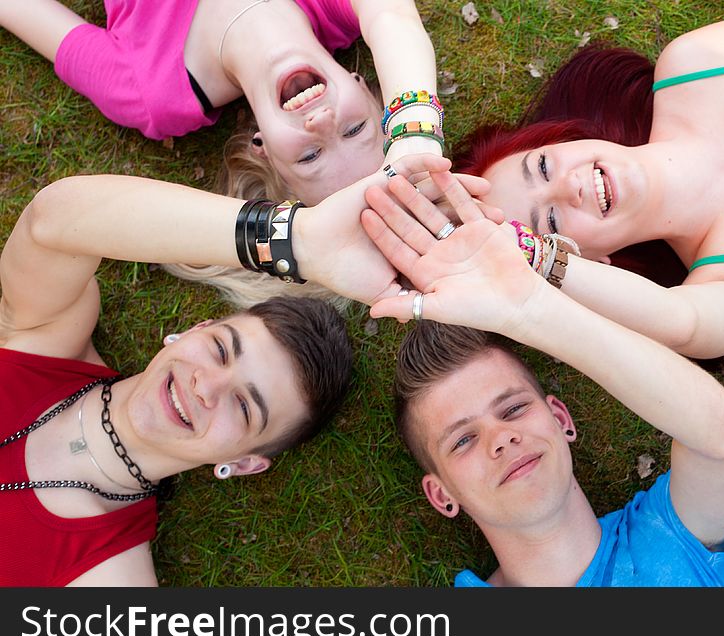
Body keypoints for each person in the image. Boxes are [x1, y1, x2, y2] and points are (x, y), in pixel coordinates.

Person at [0, 153, 453, 586]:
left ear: (243, 463)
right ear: (193, 329)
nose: (206, 386)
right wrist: (298, 240)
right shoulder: (50, 338)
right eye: (219, 350)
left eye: (243, 405)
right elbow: (52, 220)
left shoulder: (107, 580)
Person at [360, 169, 724, 586]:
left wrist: (530, 310)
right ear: (443, 495)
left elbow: (722, 438)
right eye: (463, 440)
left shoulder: (670, 539)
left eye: (513, 408)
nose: (502, 438)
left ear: (561, 420)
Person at [454, 0, 724, 360]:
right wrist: (529, 262)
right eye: (550, 224)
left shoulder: (694, 62)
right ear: (591, 263)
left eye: (543, 166)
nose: (569, 187)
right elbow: (681, 324)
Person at [0, 0, 441, 205]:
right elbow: (393, 19)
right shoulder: (342, 7)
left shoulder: (152, 93)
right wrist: (416, 129)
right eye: (355, 129)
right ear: (364, 84)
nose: (322, 123)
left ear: (261, 146)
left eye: (309, 157)